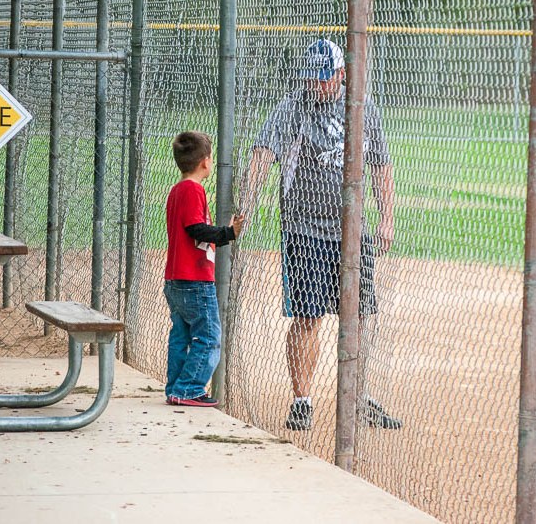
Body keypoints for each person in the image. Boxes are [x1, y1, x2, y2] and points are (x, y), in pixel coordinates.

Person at [240, 38, 401, 431]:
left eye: (324, 78)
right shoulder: (292, 107)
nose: (316, 85)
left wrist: (386, 218)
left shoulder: (362, 108)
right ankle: (302, 401)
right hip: (304, 229)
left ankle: (357, 396)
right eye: (311, 77)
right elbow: (262, 154)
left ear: (341, 74)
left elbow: (380, 165)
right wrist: (247, 202)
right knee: (308, 316)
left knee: (357, 316)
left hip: (352, 230)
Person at [164, 130, 244, 407]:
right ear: (205, 162)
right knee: (209, 337)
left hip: (177, 278)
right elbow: (195, 229)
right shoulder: (192, 190)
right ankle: (187, 389)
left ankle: (176, 388)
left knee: (181, 336)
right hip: (194, 279)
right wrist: (227, 233)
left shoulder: (177, 190)